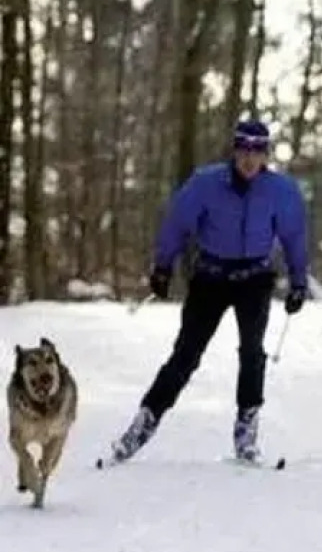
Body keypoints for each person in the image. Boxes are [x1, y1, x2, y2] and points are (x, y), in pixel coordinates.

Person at [108, 119, 309, 464]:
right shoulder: (206, 183)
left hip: (255, 278)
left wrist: (299, 281)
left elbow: (294, 236)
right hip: (211, 276)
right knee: (186, 355)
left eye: (257, 151)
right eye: (244, 149)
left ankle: (246, 428)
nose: (249, 158)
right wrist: (163, 265)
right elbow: (177, 223)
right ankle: (144, 422)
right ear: (234, 150)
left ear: (266, 155)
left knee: (252, 353)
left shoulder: (280, 190)